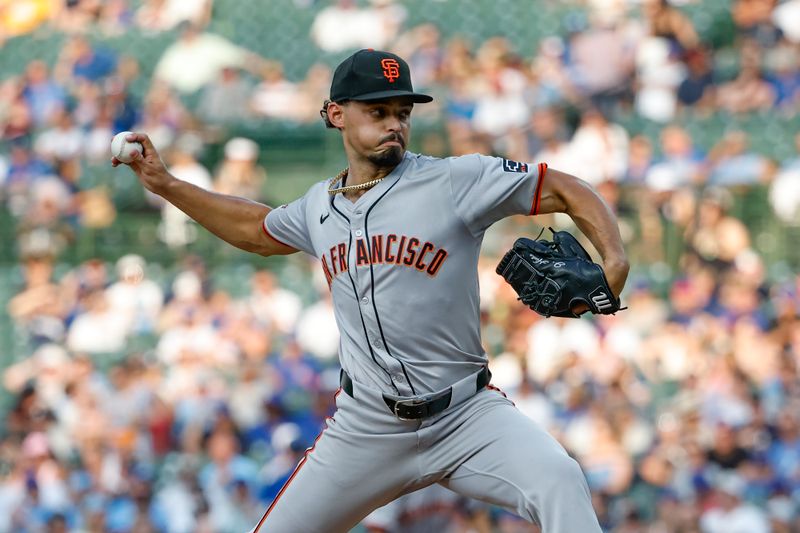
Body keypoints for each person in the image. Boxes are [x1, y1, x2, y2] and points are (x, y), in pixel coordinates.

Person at [112, 49, 629, 533]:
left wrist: (615, 257)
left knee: (560, 479)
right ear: (336, 114)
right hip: (369, 427)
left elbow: (562, 186)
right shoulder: (318, 207)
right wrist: (168, 186)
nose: (394, 123)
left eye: (402, 111)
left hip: (467, 416)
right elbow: (256, 230)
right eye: (378, 111)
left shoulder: (454, 180)